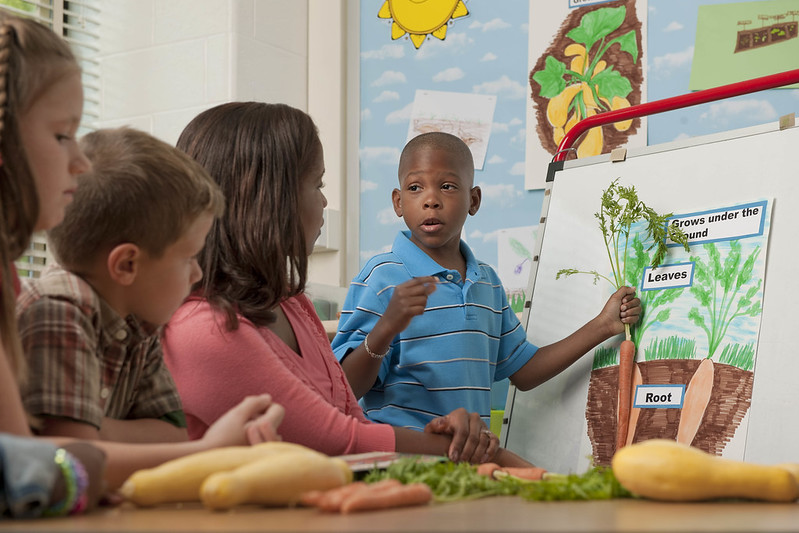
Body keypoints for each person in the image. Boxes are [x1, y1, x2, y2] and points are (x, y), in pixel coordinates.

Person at [0, 12, 283, 515]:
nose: (80, 162)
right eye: (63, 135)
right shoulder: (59, 306)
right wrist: (207, 452)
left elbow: (34, 458)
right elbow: (37, 463)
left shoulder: (129, 316)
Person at [164, 102, 530, 467]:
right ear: (268, 197)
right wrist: (487, 454)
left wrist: (445, 437)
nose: (324, 201)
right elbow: (339, 439)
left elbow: (348, 416)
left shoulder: (292, 303)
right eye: (317, 184)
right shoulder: (209, 328)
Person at [331, 132, 641, 431]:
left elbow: (524, 371)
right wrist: (386, 328)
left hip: (466, 465)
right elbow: (344, 387)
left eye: (448, 186)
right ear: (398, 202)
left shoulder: (487, 283)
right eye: (415, 188)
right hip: (404, 464)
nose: (430, 200)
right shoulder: (382, 277)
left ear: (474, 200)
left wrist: (603, 325)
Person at [17, 126, 218, 444]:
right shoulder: (58, 311)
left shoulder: (140, 319)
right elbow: (77, 456)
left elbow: (173, 434)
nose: (198, 274)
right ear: (127, 265)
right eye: (189, 257)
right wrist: (209, 449)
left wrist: (93, 428)